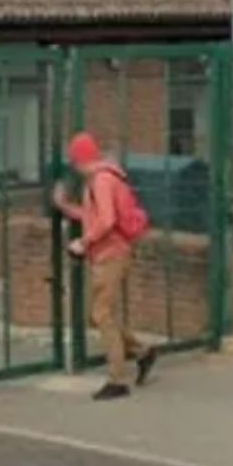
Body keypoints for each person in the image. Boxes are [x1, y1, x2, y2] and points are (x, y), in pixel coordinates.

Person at [52, 131, 158, 401]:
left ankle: (116, 379)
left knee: (101, 314)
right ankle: (142, 353)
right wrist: (66, 207)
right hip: (109, 254)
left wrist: (83, 242)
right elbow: (93, 215)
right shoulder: (102, 178)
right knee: (101, 313)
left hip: (110, 254)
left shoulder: (100, 181)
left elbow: (106, 220)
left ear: (78, 160)